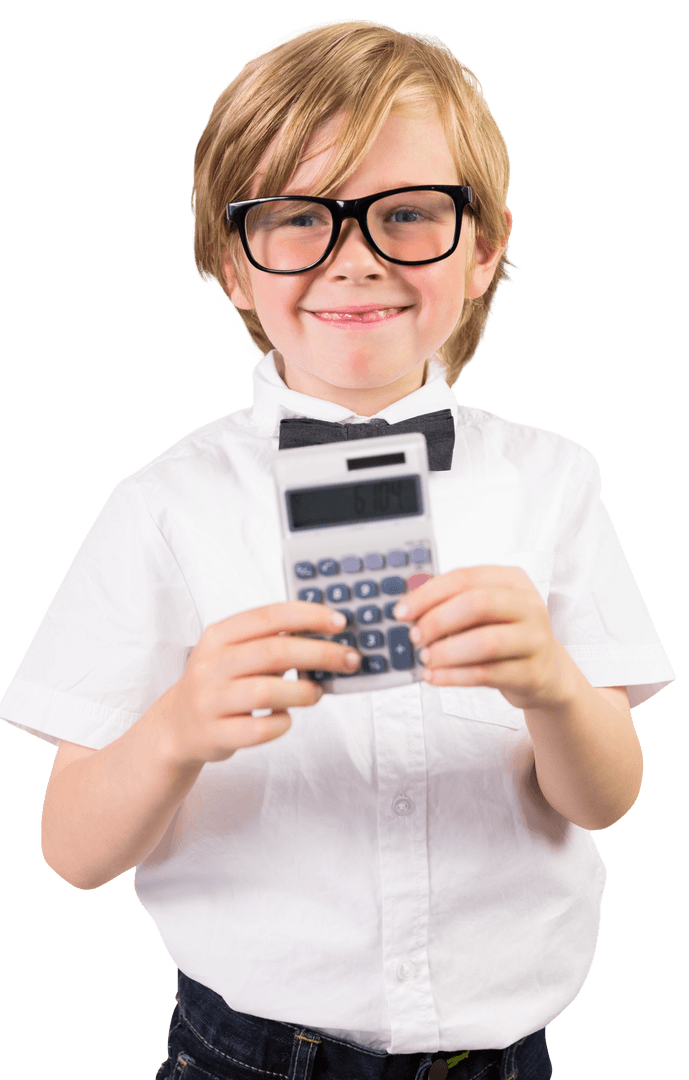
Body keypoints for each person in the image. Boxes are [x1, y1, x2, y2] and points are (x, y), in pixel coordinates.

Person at [0, 19, 675, 1080]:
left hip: (499, 1058)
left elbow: (605, 800)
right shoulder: (162, 505)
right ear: (230, 263)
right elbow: (71, 854)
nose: (353, 257)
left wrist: (552, 687)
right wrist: (176, 725)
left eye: (407, 214)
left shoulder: (552, 480)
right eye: (293, 219)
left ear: (483, 245)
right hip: (245, 1057)